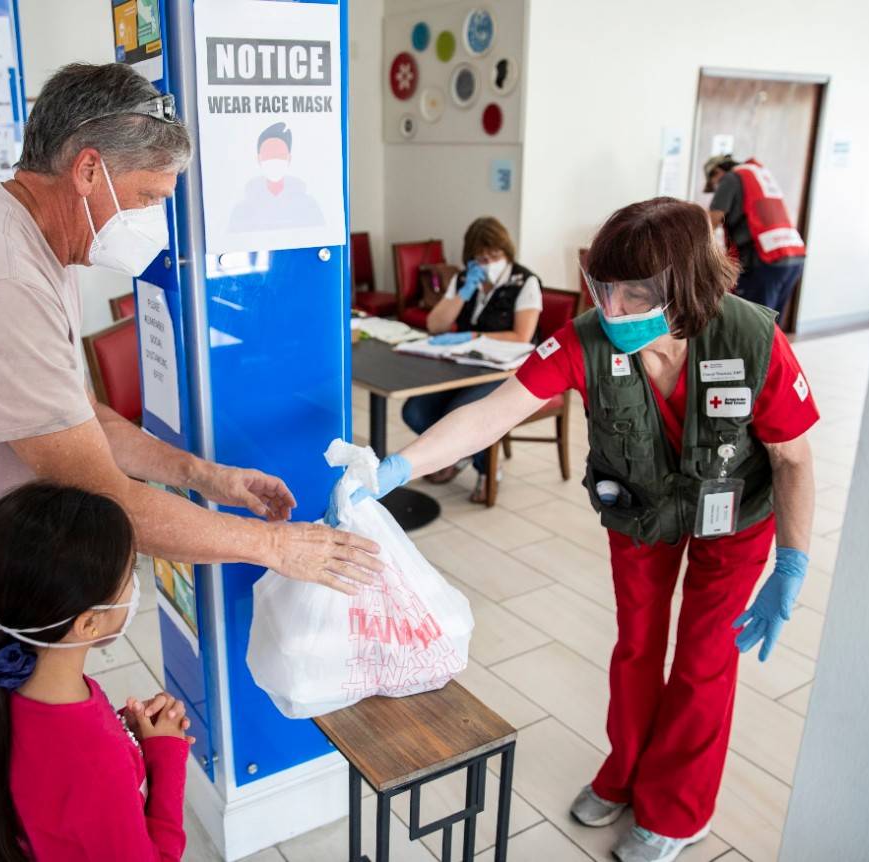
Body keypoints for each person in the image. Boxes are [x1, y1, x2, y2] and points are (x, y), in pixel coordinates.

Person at [0, 63, 382, 861]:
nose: (153, 220)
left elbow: (80, 421)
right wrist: (278, 548)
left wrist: (203, 475)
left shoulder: (13, 240)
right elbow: (98, 493)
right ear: (87, 170)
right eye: (149, 197)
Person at [340, 198, 819, 862]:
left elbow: (794, 456)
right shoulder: (585, 340)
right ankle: (626, 776)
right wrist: (396, 466)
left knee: (705, 659)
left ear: (682, 288)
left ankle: (679, 810)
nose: (614, 309)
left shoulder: (753, 339)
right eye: (606, 288)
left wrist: (792, 561)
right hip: (641, 511)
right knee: (637, 646)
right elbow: (494, 413)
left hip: (734, 517)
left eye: (635, 294)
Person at [0, 482, 190, 862]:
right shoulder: (94, 763)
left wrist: (127, 734)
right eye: (129, 574)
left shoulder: (18, 685)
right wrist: (167, 755)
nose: (134, 586)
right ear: (88, 625)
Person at [403, 216, 543, 503]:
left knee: (461, 411)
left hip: (505, 371)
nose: (489, 261)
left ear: (506, 252)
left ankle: (486, 468)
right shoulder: (465, 279)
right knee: (415, 411)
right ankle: (458, 452)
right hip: (463, 366)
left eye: (495, 255)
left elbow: (522, 336)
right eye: (481, 257)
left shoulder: (525, 281)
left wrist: (473, 337)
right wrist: (462, 294)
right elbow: (435, 325)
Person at [704, 154, 806, 317]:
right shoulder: (759, 175)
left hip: (765, 258)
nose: (716, 188)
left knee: (754, 322)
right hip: (793, 255)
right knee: (770, 323)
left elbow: (712, 221)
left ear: (717, 172)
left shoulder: (730, 178)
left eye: (713, 185)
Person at [228, 121, 325, 232]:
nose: (274, 159)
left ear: (289, 159)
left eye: (279, 154)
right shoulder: (242, 211)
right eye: (268, 154)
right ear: (259, 159)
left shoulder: (309, 206)